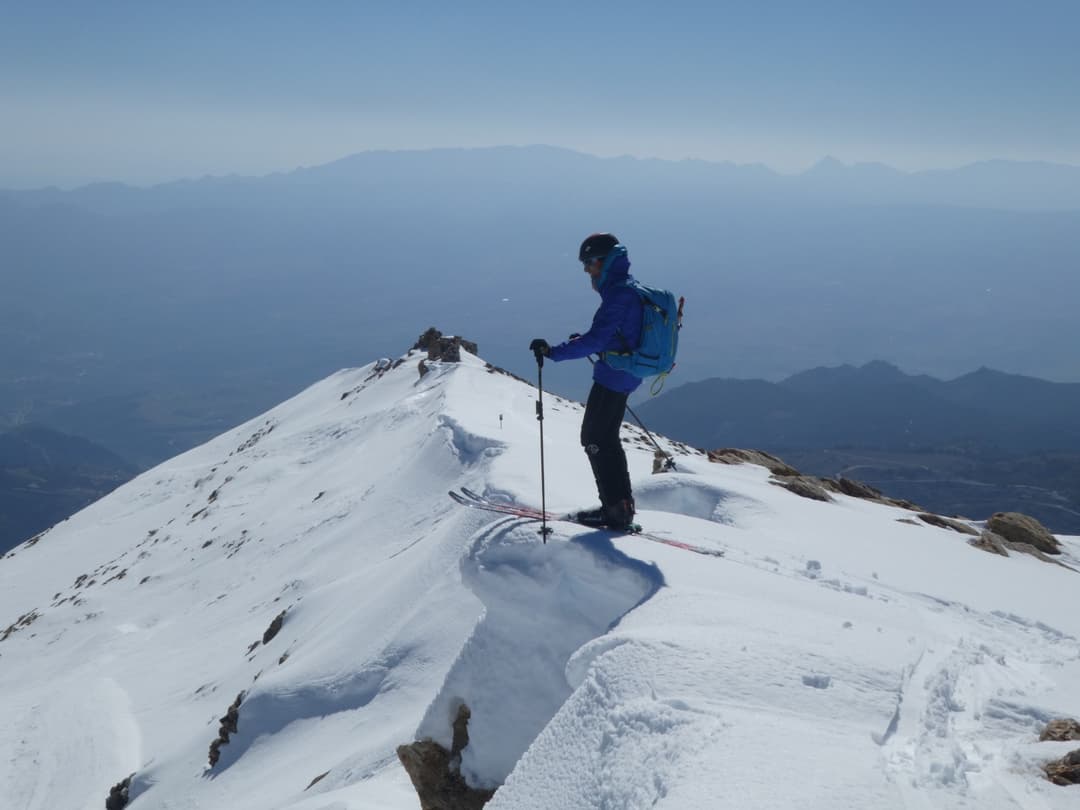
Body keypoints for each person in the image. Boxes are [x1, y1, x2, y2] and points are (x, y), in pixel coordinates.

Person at [530, 233, 643, 530]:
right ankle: (621, 505)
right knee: (607, 438)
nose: (586, 270)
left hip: (614, 375)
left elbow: (597, 339)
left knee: (594, 438)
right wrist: (587, 342)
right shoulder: (628, 289)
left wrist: (553, 352)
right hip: (627, 373)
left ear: (605, 262)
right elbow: (612, 335)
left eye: (590, 263)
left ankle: (614, 511)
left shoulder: (618, 294)